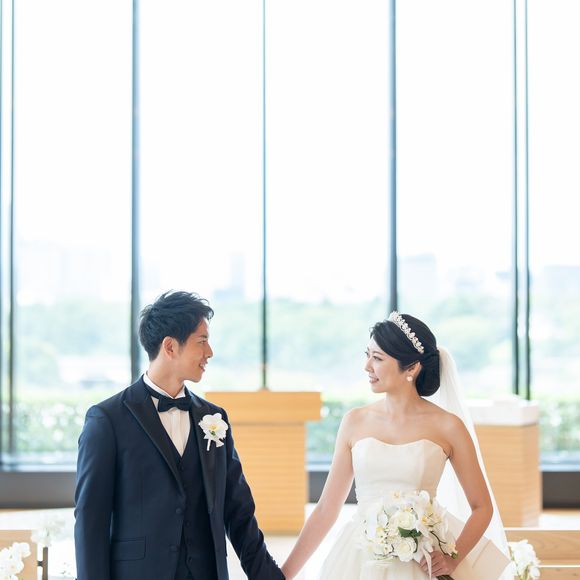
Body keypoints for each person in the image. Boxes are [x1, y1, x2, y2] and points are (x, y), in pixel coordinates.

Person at [281, 312, 511, 579]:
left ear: (411, 368)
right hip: (359, 560)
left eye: (377, 358)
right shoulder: (354, 421)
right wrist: (283, 574)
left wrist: (453, 558)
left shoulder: (449, 426)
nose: (367, 366)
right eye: (367, 355)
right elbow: (325, 510)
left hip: (422, 562)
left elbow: (482, 507)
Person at [74, 290, 285, 580]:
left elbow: (239, 513)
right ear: (170, 347)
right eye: (202, 341)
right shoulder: (107, 420)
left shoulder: (214, 418)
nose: (209, 352)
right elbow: (90, 521)